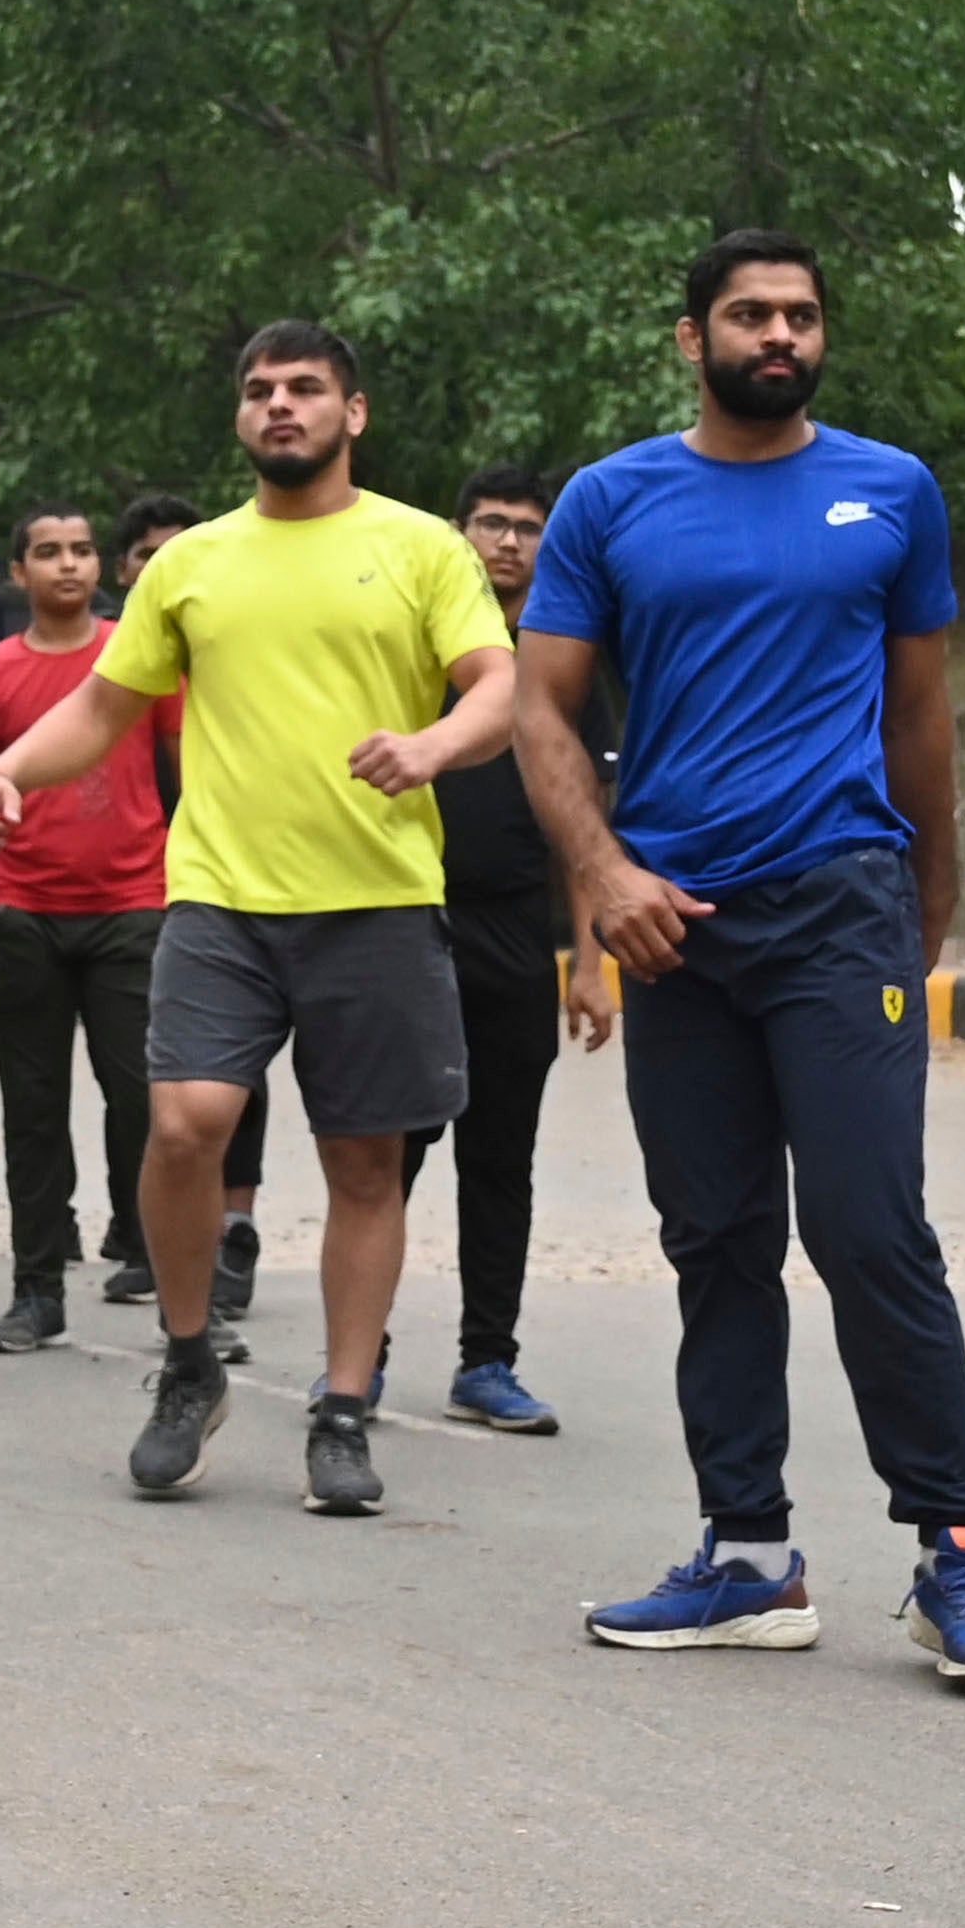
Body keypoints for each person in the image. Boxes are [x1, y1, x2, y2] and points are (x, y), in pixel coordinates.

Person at [518, 234, 965, 1679]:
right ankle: (747, 1557)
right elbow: (543, 711)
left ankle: (960, 1547)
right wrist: (605, 878)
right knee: (717, 1238)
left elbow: (918, 714)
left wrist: (929, 896)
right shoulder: (611, 500)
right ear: (695, 337)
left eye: (801, 313)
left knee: (869, 1227)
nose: (780, 334)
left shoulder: (892, 489)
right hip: (673, 920)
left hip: (838, 902)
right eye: (750, 314)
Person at [0, 322, 514, 1513]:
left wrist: (431, 745)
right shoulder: (192, 562)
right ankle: (188, 1359)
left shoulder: (420, 546)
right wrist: (7, 769)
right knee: (182, 1124)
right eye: (260, 390)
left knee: (366, 1160)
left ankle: (344, 1408)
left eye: (306, 387)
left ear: (353, 411)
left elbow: (497, 688)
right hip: (218, 896)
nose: (280, 405)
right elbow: (101, 710)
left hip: (376, 896)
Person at [0, 501, 163, 1355]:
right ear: (18, 572)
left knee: (146, 1101)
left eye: (81, 549)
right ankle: (36, 1290)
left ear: (101, 566)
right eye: (47, 552)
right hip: (25, 909)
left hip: (136, 905)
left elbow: (191, 768)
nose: (67, 564)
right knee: (33, 1111)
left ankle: (168, 1275)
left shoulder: (138, 655)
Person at [427, 463, 609, 1431]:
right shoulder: (413, 646)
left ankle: (487, 1358)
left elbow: (583, 824)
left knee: (500, 1159)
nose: (507, 540)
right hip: (408, 924)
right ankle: (356, 1357)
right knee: (379, 1153)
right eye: (490, 522)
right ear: (457, 532)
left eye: (527, 527)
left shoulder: (564, 659)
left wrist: (591, 963)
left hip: (513, 936)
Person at [103, 486, 267, 1331]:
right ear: (127, 569)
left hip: (251, 877)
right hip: (177, 886)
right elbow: (94, 730)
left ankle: (236, 1225)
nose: (163, 564)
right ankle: (155, 1247)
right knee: (168, 1093)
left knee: (244, 1080)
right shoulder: (128, 658)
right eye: (148, 553)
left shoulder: (229, 645)